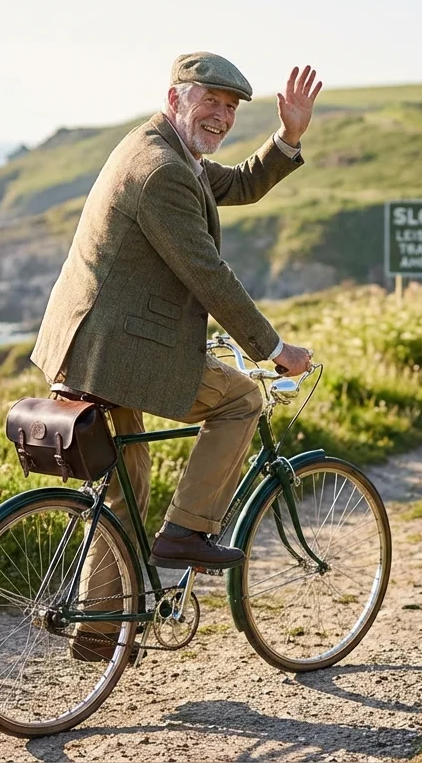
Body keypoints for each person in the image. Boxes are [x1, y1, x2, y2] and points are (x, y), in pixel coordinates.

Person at [30, 52, 320, 578]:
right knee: (239, 399)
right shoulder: (161, 170)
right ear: (174, 99)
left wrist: (288, 137)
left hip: (91, 345)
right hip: (115, 351)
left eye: (230, 106)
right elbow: (208, 275)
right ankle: (188, 531)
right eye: (210, 99)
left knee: (126, 491)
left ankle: (101, 635)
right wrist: (274, 351)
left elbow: (238, 185)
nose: (222, 115)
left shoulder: (168, 149)